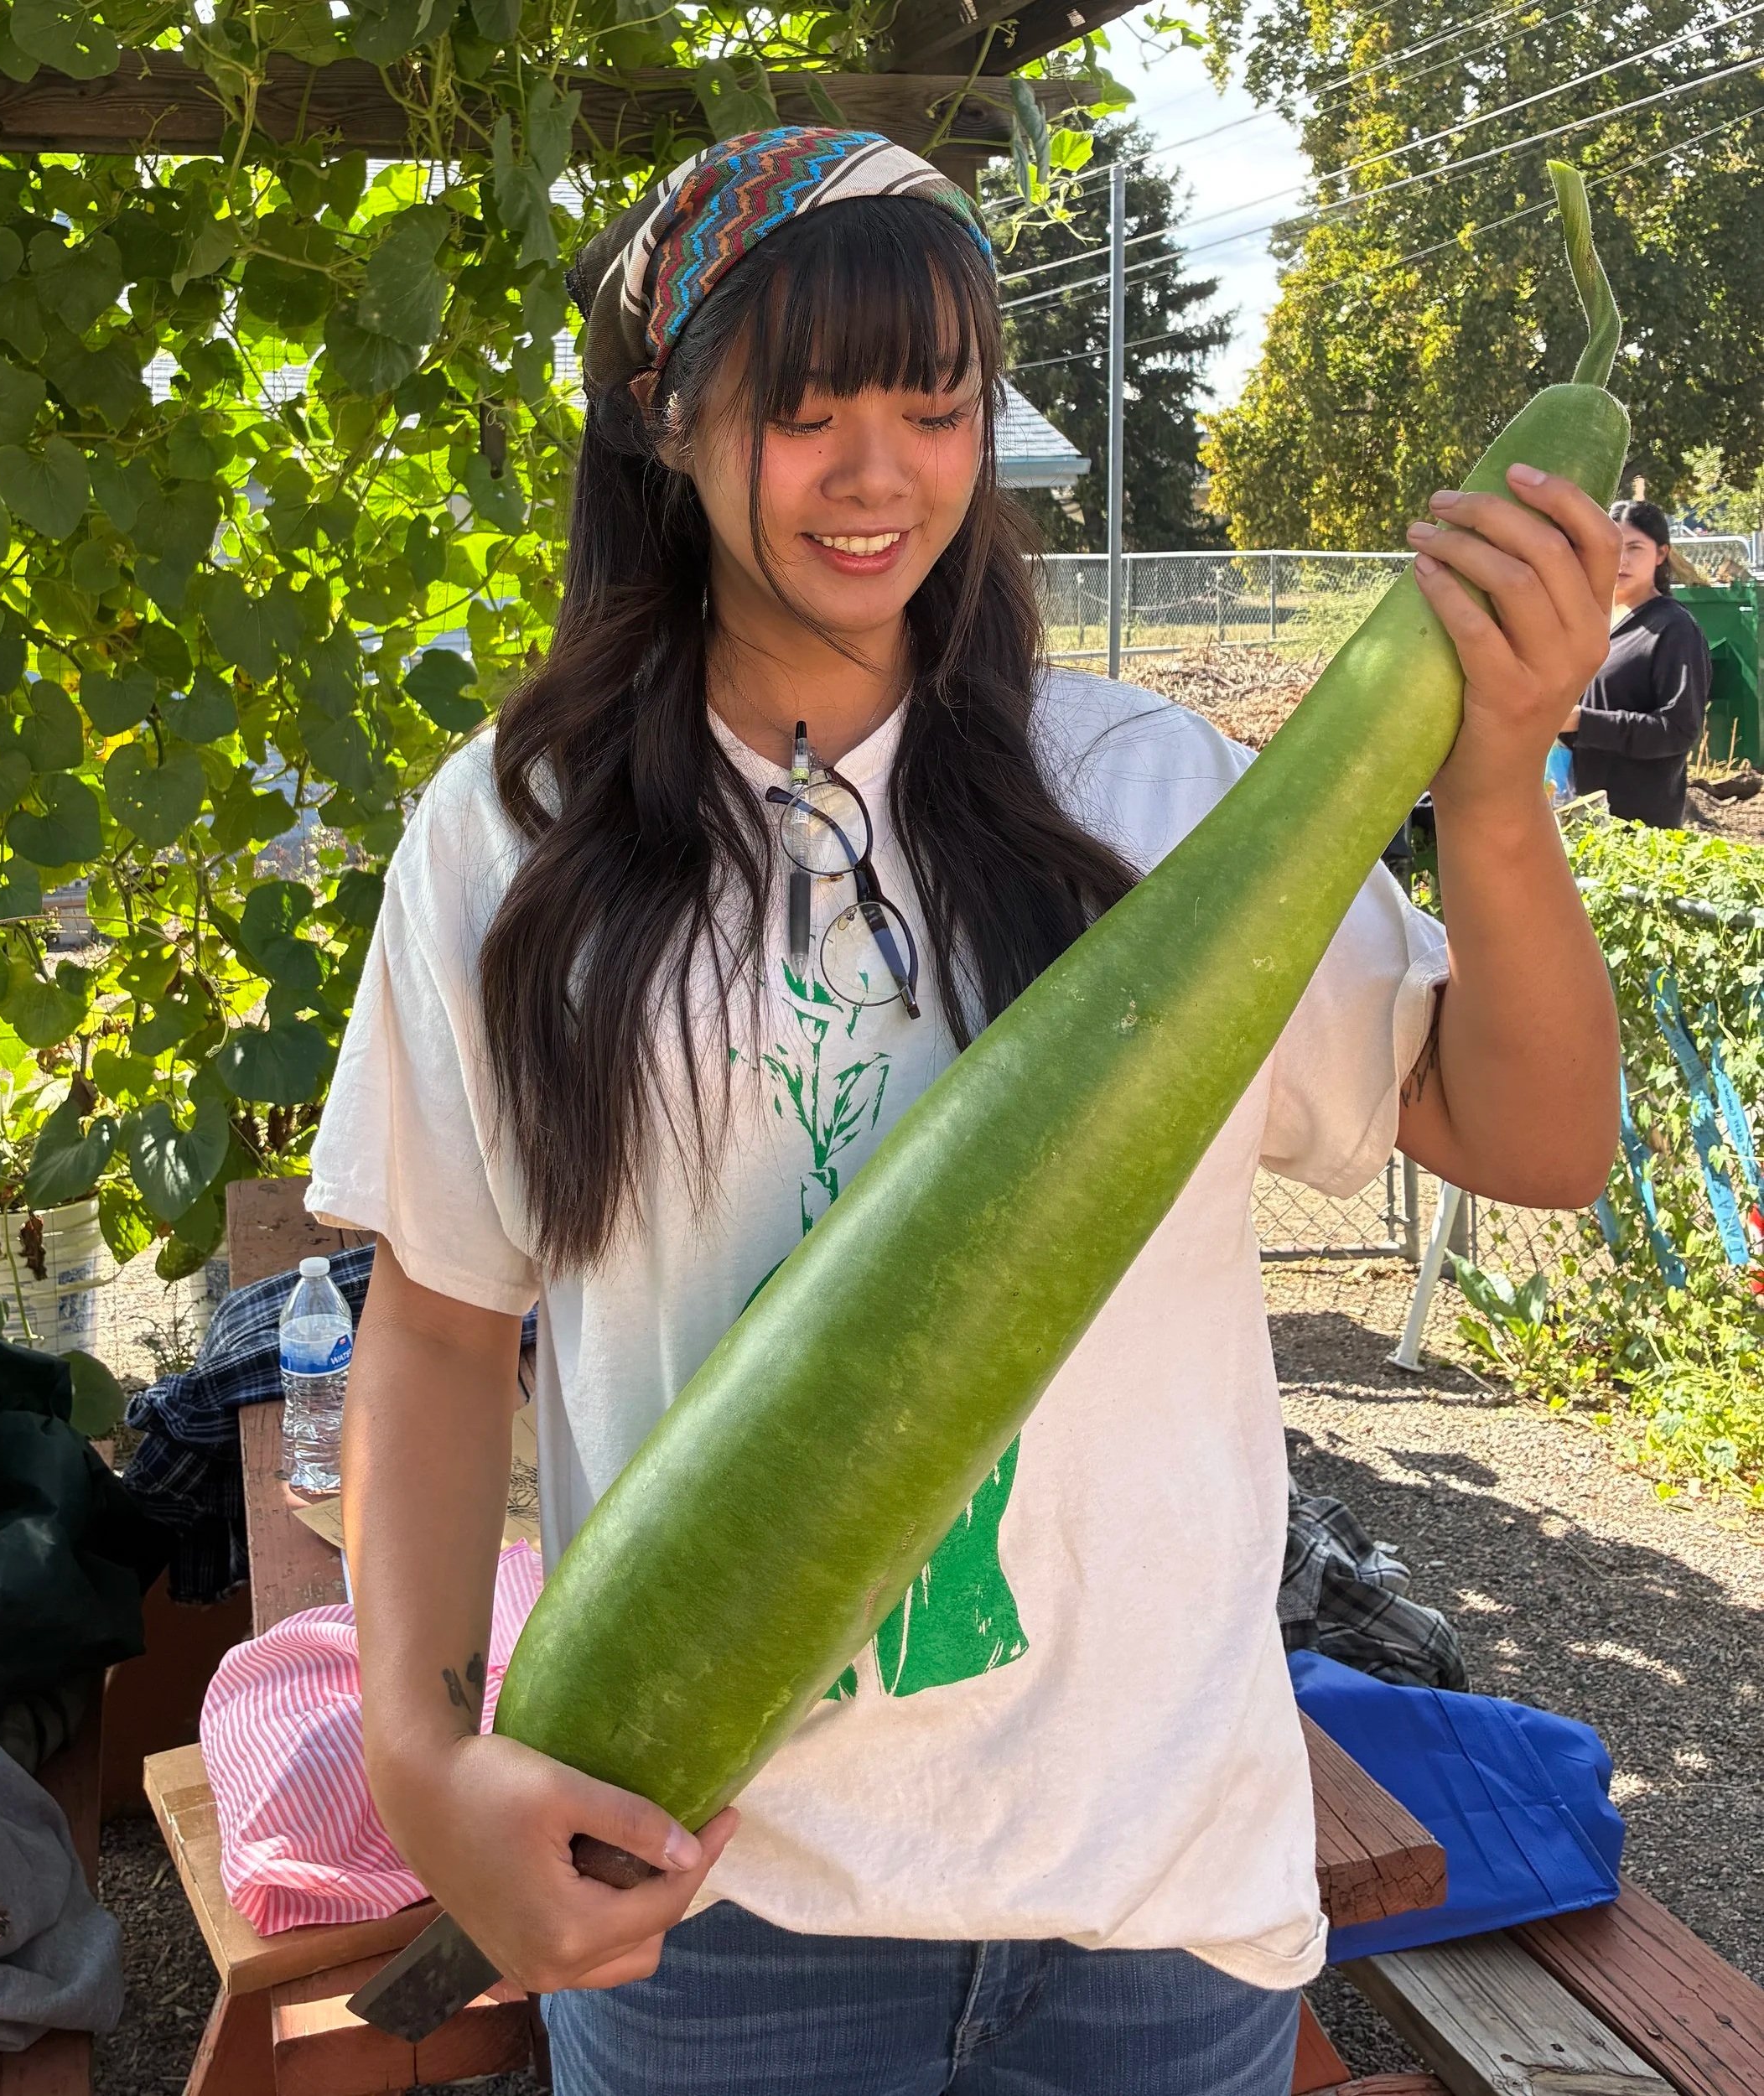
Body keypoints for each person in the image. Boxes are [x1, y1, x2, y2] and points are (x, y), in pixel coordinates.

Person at [304, 127, 1622, 2096]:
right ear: (666, 413)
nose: (879, 474)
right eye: (805, 409)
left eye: (934, 406)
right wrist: (420, 1759)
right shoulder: (513, 837)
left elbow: (1531, 1143)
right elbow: (432, 1321)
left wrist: (1494, 781)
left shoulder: (1150, 794)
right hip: (710, 1902)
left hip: (1151, 1891)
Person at [1559, 498, 1711, 826]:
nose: (1621, 561)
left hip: (1638, 823)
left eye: (1635, 548)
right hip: (1579, 812)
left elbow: (1678, 730)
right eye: (1612, 549)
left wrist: (1582, 721)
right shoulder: (1591, 621)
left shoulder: (1674, 628)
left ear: (1661, 554)